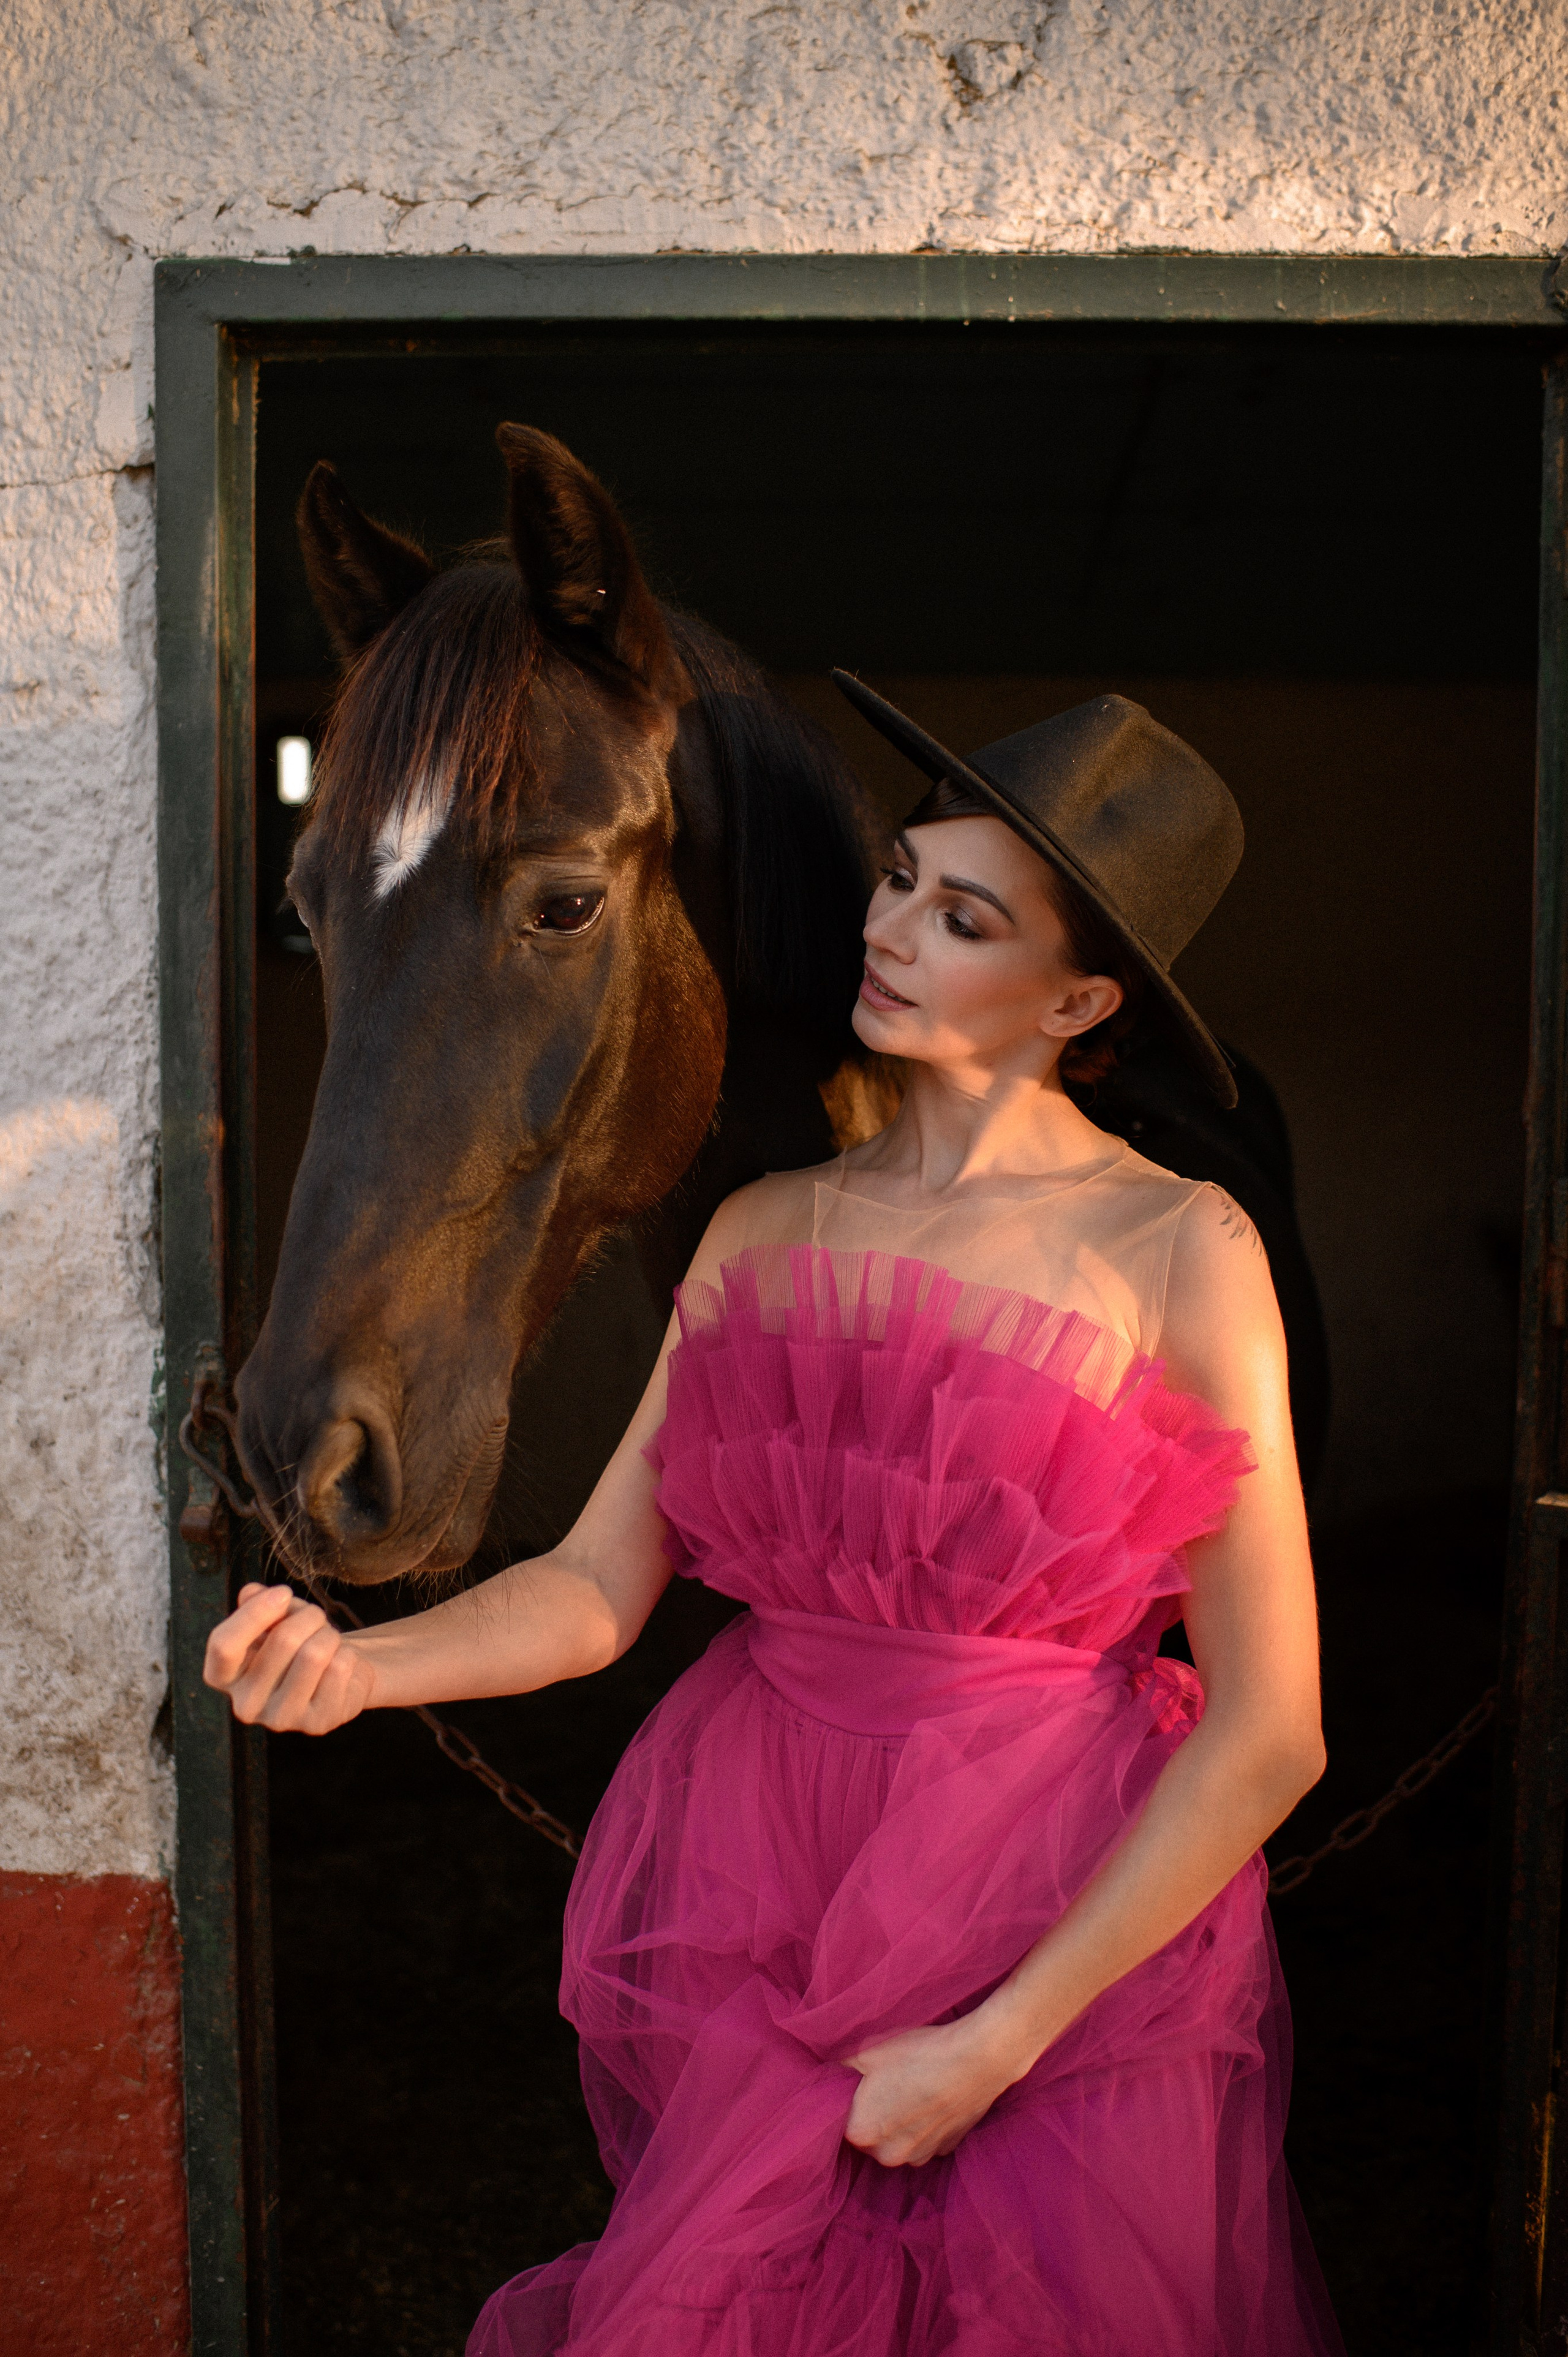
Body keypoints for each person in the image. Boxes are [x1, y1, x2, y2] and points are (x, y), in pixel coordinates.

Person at [205, 682, 1343, 2355]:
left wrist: (1000, 2039)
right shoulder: (761, 1226)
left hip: (1052, 1918)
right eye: (899, 881)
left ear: (1078, 996)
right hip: (763, 1876)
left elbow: (1273, 1729)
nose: (889, 930)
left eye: (963, 919)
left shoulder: (1180, 1248)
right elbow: (599, 1589)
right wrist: (361, 1667)